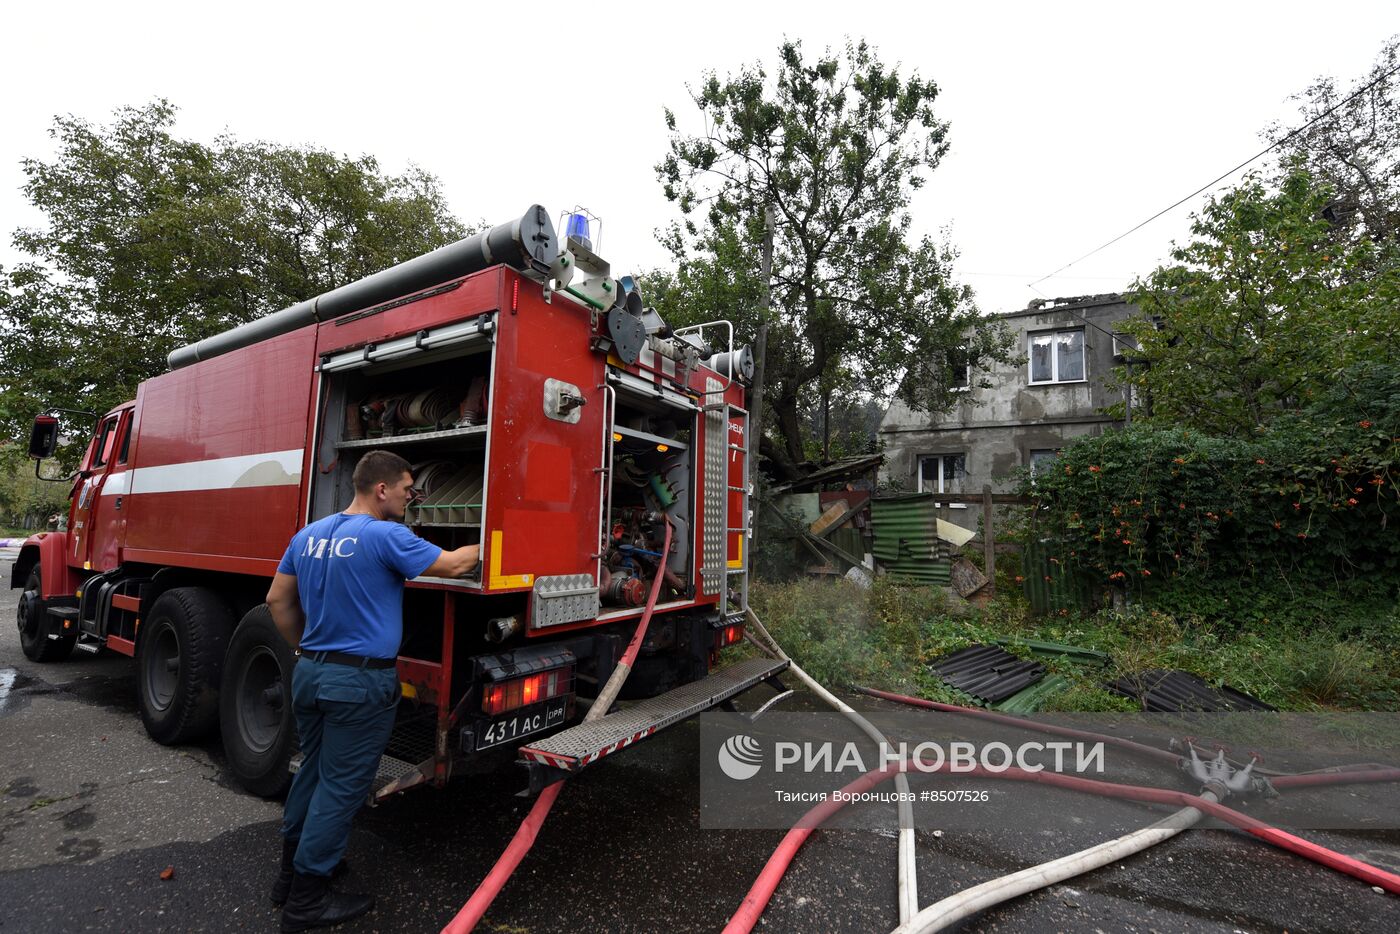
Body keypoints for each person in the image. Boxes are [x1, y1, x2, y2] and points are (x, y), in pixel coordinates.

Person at [265, 450, 478, 931]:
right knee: (342, 789)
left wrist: (314, 651)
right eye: (407, 490)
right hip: (359, 683)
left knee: (313, 774)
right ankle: (307, 902)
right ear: (382, 489)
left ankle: (288, 877)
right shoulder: (387, 536)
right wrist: (497, 532)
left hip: (313, 674)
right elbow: (454, 565)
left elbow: (277, 599)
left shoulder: (309, 534)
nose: (410, 498)